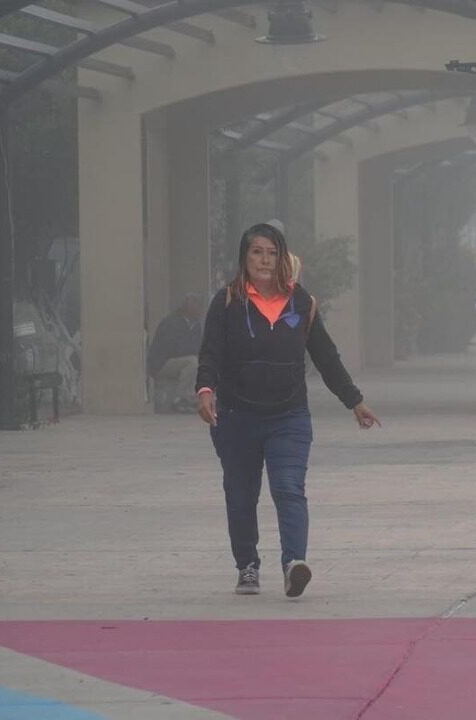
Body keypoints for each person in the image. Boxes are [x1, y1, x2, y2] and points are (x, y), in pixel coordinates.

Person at [196, 222, 380, 598]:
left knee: (288, 487)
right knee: (241, 493)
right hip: (236, 417)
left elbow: (326, 357)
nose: (264, 260)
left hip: (288, 416)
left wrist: (354, 401)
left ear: (282, 258)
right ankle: (247, 565)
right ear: (244, 258)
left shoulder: (301, 302)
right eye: (256, 252)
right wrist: (205, 389)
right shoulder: (229, 301)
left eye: (272, 253)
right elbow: (211, 352)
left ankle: (294, 563)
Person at [147, 292, 204, 413]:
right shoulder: (171, 322)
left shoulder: (196, 325)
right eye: (194, 304)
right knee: (192, 362)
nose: (198, 308)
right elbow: (174, 349)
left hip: (180, 362)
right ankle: (181, 399)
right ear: (186, 306)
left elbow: (199, 347)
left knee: (202, 363)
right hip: (161, 363)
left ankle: (194, 399)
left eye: (199, 304)